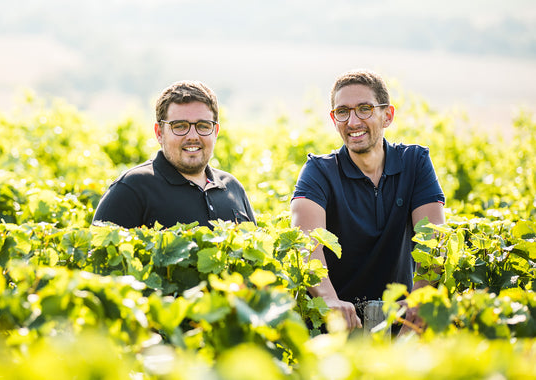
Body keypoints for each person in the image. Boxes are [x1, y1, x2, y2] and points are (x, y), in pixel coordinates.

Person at [290, 69, 445, 331]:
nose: (353, 121)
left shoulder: (415, 163)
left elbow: (434, 239)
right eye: (343, 112)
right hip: (338, 327)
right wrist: (329, 300)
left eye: (364, 109)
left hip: (401, 321)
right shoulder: (319, 170)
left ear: (388, 116)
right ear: (334, 119)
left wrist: (419, 300)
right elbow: (306, 242)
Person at [93, 80, 255, 229]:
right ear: (159, 133)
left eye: (203, 126)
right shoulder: (131, 189)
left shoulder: (233, 188)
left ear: (215, 131)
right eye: (180, 126)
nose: (192, 136)